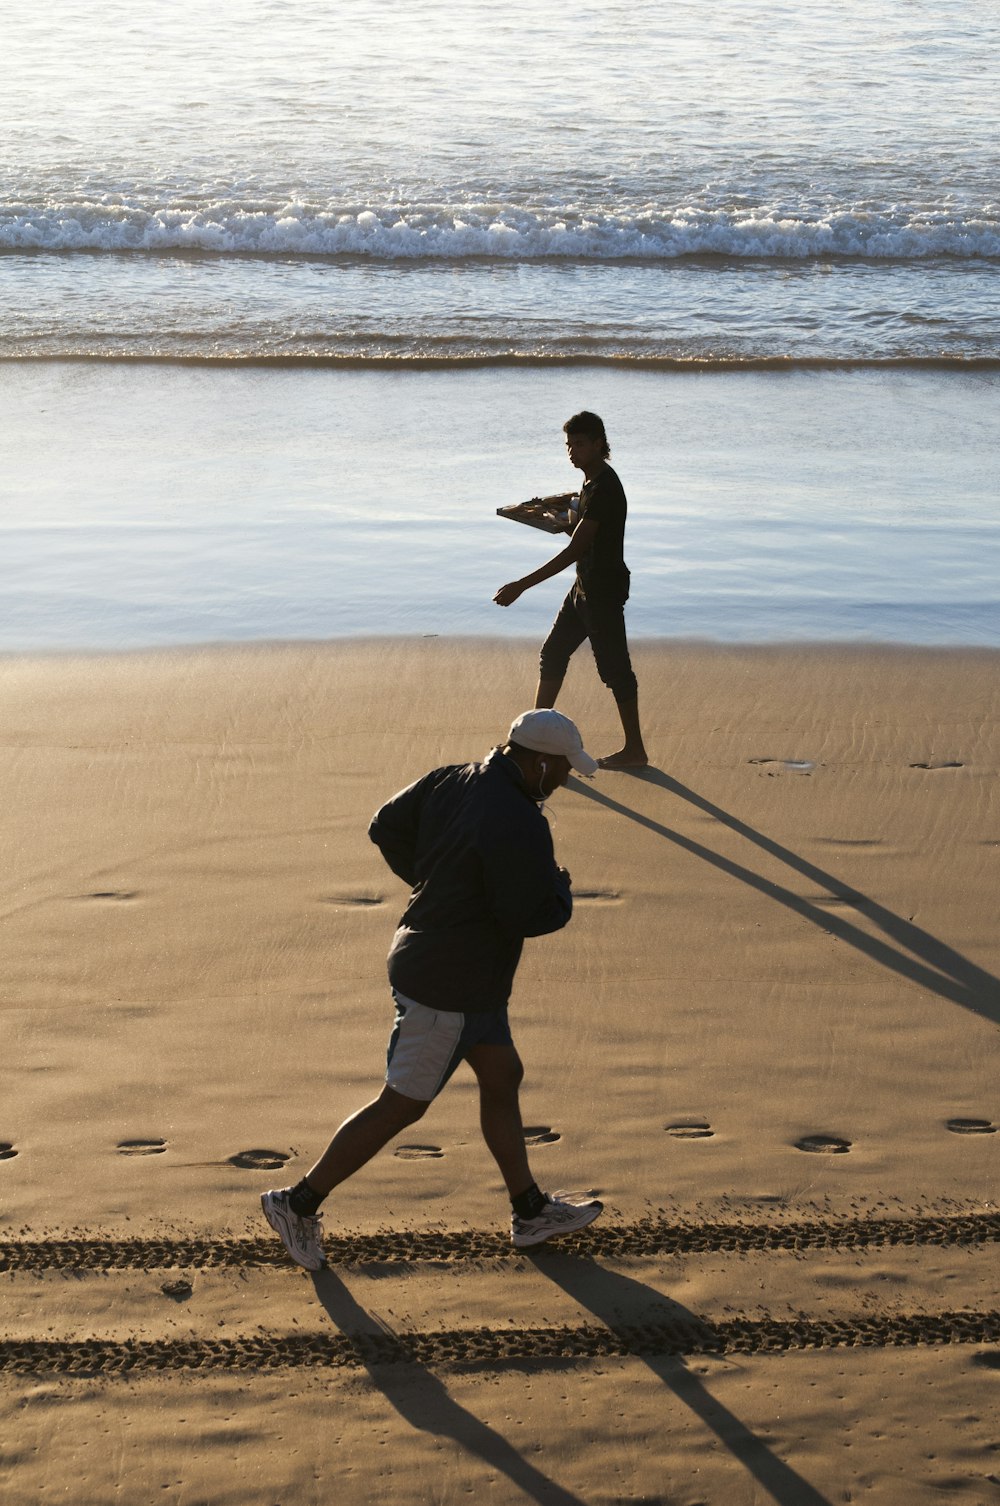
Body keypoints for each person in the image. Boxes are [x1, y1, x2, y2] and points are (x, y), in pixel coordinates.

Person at [261, 708, 604, 1270]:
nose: (566, 780)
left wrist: (434, 883)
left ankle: (530, 1210)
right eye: (565, 769)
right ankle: (296, 1204)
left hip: (454, 969)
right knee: (402, 1103)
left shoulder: (453, 777)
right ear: (540, 762)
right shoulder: (519, 820)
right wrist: (561, 895)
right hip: (450, 983)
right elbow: (525, 913)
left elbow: (385, 826)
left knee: (502, 1075)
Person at [494, 411, 648, 770]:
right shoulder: (590, 483)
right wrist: (547, 520)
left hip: (603, 591)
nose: (572, 451)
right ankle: (531, 743)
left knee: (616, 672)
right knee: (553, 654)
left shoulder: (605, 487)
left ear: (598, 443)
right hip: (584, 587)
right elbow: (583, 538)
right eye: (568, 445)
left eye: (579, 444)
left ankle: (635, 750)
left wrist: (522, 585)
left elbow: (576, 549)